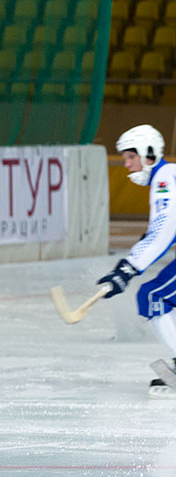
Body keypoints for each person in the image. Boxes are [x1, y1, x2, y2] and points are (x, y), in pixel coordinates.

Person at [96, 124, 176, 396]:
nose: (126, 164)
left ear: (149, 154)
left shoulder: (165, 180)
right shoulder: (167, 176)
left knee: (154, 296)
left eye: (131, 157)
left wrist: (128, 269)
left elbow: (164, 232)